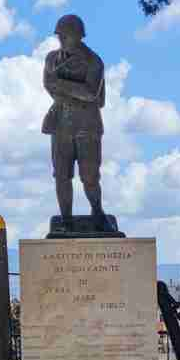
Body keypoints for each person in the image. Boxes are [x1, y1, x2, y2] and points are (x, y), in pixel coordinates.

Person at [42, 14, 114, 233]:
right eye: (60, 36)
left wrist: (61, 84)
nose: (62, 39)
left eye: (66, 35)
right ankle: (66, 220)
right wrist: (73, 91)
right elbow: (48, 85)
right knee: (61, 174)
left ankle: (98, 213)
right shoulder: (52, 58)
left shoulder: (93, 61)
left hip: (87, 125)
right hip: (61, 123)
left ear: (78, 36)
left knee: (89, 176)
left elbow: (92, 94)